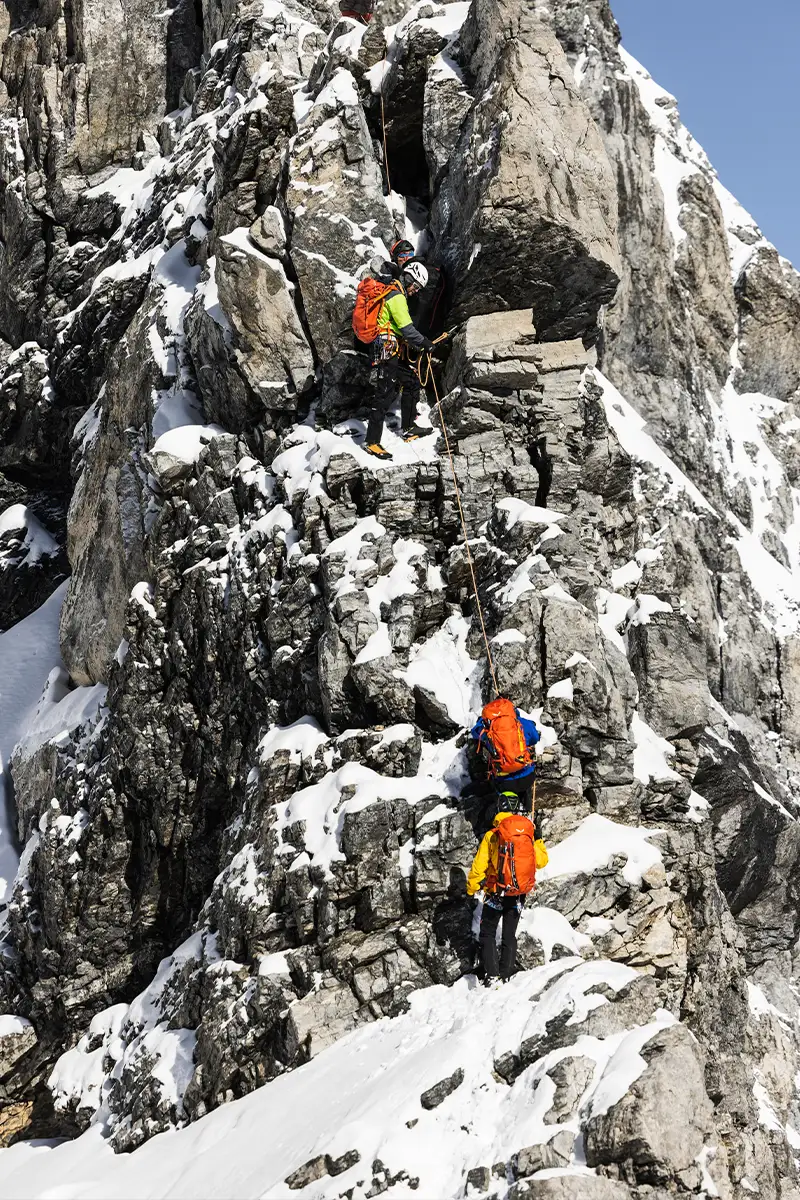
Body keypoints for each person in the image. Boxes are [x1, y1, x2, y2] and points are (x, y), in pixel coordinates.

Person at [365, 261, 448, 460]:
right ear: (409, 278)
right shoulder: (396, 296)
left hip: (390, 346)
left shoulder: (396, 293)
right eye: (415, 286)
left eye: (418, 288)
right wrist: (426, 343)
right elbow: (408, 330)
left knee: (410, 381)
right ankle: (372, 442)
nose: (415, 291)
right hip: (386, 347)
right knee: (384, 393)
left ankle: (409, 427)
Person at [466, 803, 547, 983]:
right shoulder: (526, 834)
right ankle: (507, 974)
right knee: (509, 934)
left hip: (496, 892)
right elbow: (541, 861)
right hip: (518, 892)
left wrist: (471, 888)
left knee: (487, 933)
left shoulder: (492, 835)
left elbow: (479, 867)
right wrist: (538, 839)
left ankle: (493, 975)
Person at [470, 697, 541, 825]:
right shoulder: (522, 724)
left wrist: (484, 723)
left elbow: (474, 732)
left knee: (503, 801)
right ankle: (529, 817)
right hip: (527, 776)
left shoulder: (488, 730)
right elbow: (535, 737)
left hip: (504, 782)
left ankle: (506, 825)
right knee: (526, 791)